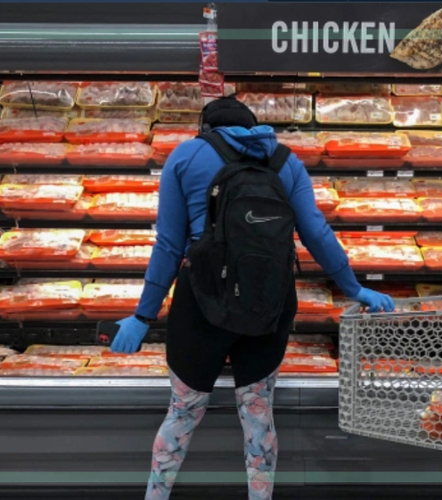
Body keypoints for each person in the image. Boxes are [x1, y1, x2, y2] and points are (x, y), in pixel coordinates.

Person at [110, 96, 395, 500]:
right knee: (258, 413)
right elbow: (316, 231)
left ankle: (155, 497)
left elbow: (169, 246)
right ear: (252, 127)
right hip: (270, 302)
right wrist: (353, 287)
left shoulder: (187, 156)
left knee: (184, 411)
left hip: (201, 304)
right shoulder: (285, 160)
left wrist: (143, 316)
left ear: (207, 127)